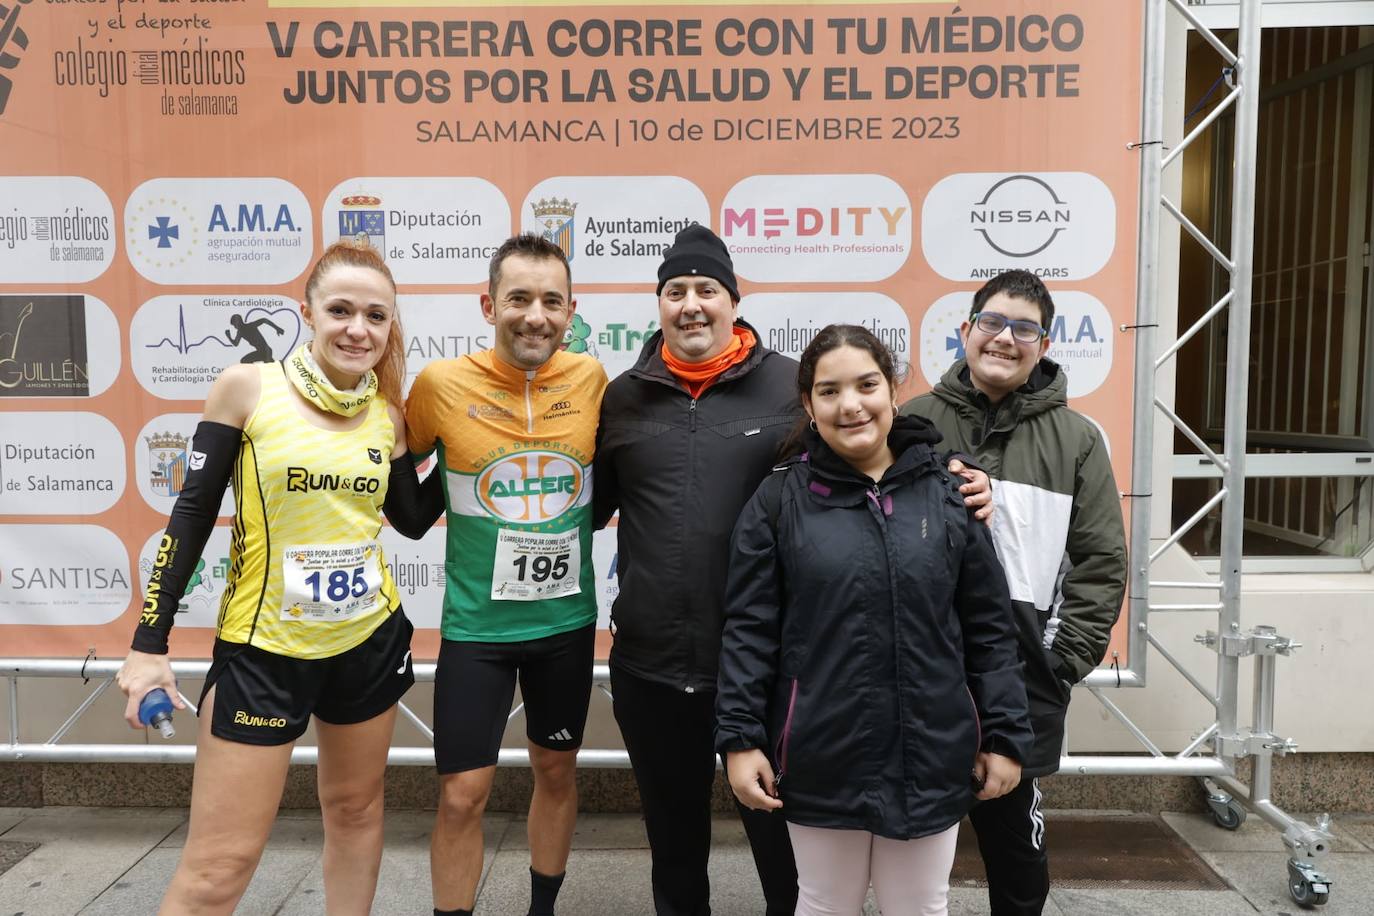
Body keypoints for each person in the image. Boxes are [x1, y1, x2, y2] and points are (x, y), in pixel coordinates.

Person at [593, 225, 994, 916]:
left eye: (707, 290)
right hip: (652, 667)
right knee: (674, 851)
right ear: (658, 304)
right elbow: (592, 506)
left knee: (792, 868)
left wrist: (956, 473)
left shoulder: (790, 385)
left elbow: (875, 440)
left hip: (769, 670)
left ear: (733, 301)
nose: (692, 305)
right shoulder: (625, 396)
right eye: (676, 291)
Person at [116, 239, 431, 915]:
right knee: (218, 868)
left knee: (355, 814)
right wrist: (149, 641)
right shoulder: (247, 387)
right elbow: (192, 517)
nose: (358, 328)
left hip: (367, 642)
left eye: (376, 316)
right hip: (265, 652)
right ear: (307, 314)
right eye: (341, 309)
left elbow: (411, 518)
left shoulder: (387, 414)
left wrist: (481, 441)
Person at [715, 324, 1033, 916]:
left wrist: (1006, 734)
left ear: (892, 389)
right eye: (830, 392)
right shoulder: (779, 501)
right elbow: (749, 629)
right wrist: (740, 739)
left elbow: (990, 632)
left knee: (918, 905)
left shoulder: (948, 493)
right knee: (823, 903)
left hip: (931, 753)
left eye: (866, 385)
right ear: (809, 405)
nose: (851, 405)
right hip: (819, 753)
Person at [901, 270, 1128, 915]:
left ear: (1045, 343)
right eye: (993, 323)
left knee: (1017, 864)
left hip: (1025, 681)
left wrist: (1060, 666)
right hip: (920, 676)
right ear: (966, 331)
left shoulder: (1078, 440)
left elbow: (1100, 562)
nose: (1006, 338)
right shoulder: (912, 421)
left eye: (1024, 329)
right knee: (911, 852)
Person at [405, 233, 608, 916]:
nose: (535, 315)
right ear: (488, 304)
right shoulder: (439, 386)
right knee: (463, 793)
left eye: (552, 301)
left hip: (565, 625)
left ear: (571, 310)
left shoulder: (592, 381)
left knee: (556, 770)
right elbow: (402, 492)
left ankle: (542, 911)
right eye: (519, 298)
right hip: (476, 630)